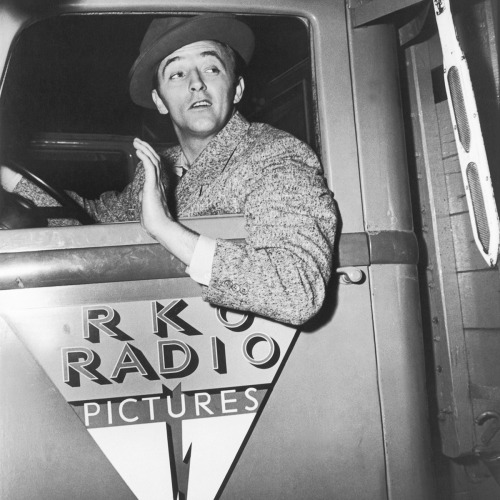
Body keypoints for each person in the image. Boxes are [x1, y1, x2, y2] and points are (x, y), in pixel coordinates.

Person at [0, 14, 337, 325]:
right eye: (177, 73)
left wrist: (163, 228)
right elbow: (86, 220)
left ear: (237, 89)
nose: (196, 83)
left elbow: (299, 291)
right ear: (160, 101)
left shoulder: (273, 156)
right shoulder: (161, 168)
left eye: (211, 69)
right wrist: (11, 178)